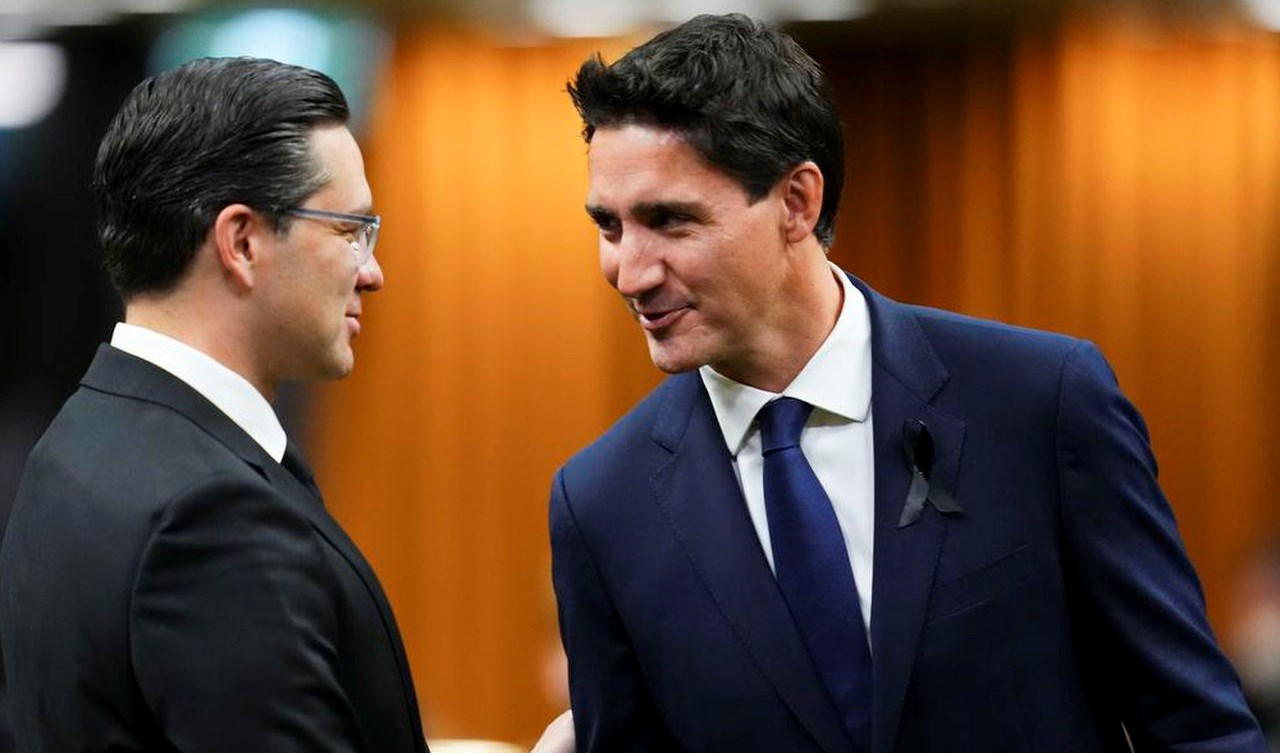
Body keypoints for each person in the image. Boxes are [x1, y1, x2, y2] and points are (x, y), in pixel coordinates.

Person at [549, 13, 1265, 753]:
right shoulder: (602, 505)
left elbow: (1199, 731)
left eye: (670, 221)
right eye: (610, 227)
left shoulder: (1039, 403)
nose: (629, 272)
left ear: (796, 202)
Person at [0, 57, 572, 753]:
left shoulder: (77, 440)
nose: (373, 271)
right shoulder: (212, 514)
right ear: (241, 242)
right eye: (350, 230)